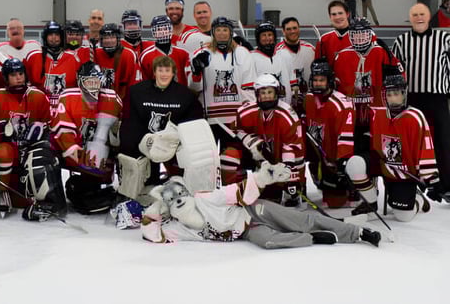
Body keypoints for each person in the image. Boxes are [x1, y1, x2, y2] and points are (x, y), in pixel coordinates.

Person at [140, 163, 381, 249]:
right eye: (173, 202)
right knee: (270, 242)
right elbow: (151, 233)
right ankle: (315, 238)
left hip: (252, 210)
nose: (180, 202)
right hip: (247, 231)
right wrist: (156, 209)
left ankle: (358, 233)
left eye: (181, 196)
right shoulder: (178, 228)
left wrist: (265, 177)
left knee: (302, 220)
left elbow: (238, 191)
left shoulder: (205, 198)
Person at [346, 73, 441, 222]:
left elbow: (426, 148)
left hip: (403, 172)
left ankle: (418, 199)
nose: (392, 98)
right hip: (383, 163)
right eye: (389, 94)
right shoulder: (379, 113)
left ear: (404, 94)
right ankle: (370, 204)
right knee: (354, 164)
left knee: (403, 216)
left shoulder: (415, 117)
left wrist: (431, 178)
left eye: (396, 94)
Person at [393, 3, 450, 200]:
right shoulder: (402, 40)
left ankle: (446, 182)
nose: (419, 17)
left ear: (429, 17)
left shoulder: (444, 38)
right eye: (415, 14)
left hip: (438, 96)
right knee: (412, 141)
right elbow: (396, 71)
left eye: (422, 14)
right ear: (410, 18)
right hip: (413, 97)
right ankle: (414, 179)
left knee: (443, 139)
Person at [0, 58, 55, 218]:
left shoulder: (38, 97)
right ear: (5, 78)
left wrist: (40, 130)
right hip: (7, 153)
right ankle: (1, 191)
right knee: (4, 151)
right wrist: (0, 129)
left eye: (21, 73)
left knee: (25, 199)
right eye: (14, 74)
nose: (19, 78)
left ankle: (45, 193)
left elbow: (49, 127)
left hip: (30, 151)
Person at [51, 62, 122, 214]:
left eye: (95, 81)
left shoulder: (111, 98)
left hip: (97, 149)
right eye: (88, 81)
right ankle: (53, 196)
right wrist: (75, 152)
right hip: (73, 150)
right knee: (48, 155)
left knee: (101, 173)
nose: (92, 86)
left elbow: (120, 129)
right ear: (80, 81)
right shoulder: (68, 96)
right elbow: (62, 129)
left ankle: (108, 189)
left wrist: (113, 149)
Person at [224, 74, 305, 206]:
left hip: (278, 158)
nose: (266, 96)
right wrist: (249, 141)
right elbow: (235, 131)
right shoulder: (245, 112)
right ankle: (233, 193)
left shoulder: (288, 115)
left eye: (270, 92)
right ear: (257, 94)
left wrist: (288, 170)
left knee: (282, 196)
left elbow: (292, 146)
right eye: (263, 92)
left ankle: (294, 187)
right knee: (229, 157)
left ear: (276, 93)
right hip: (255, 158)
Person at [120, 55, 203, 184]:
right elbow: (130, 123)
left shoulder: (185, 95)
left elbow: (193, 123)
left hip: (172, 144)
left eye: (167, 70)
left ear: (173, 73)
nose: (164, 74)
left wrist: (178, 141)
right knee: (143, 181)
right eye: (160, 70)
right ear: (154, 72)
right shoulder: (138, 91)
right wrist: (135, 144)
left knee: (180, 175)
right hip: (145, 142)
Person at [334, 18, 401, 154]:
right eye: (355, 35)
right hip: (352, 114)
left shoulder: (381, 52)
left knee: (376, 151)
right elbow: (337, 88)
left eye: (362, 34)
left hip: (377, 112)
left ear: (370, 34)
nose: (359, 38)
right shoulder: (342, 56)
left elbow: (399, 79)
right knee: (353, 150)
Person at [302, 58, 356, 208]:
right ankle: (321, 183)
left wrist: (341, 163)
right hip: (319, 153)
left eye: (322, 80)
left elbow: (346, 137)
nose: (317, 83)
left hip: (335, 159)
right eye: (315, 80)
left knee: (335, 203)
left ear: (330, 81)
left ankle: (352, 188)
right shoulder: (309, 98)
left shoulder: (342, 104)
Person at [188, 16, 257, 127]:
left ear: (231, 33)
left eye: (225, 30)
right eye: (218, 30)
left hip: (238, 118)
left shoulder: (243, 53)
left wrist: (245, 114)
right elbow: (194, 89)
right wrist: (196, 72)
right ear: (213, 33)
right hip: (211, 118)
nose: (221, 33)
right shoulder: (200, 54)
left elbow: (249, 89)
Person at [24, 21, 79, 110]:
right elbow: (25, 84)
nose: (54, 38)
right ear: (45, 37)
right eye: (50, 35)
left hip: (67, 109)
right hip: (40, 108)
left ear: (62, 37)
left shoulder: (73, 58)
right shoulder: (33, 57)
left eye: (57, 35)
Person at [275, 17, 316, 116]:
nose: (292, 31)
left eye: (295, 28)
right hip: (287, 102)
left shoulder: (310, 49)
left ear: (299, 29)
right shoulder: (277, 52)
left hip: (309, 99)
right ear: (283, 32)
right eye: (288, 29)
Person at [91, 23, 142, 101]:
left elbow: (134, 86)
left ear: (118, 39)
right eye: (105, 37)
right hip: (100, 103)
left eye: (112, 37)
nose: (108, 40)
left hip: (123, 103)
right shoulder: (95, 54)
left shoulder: (128, 55)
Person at [249, 21, 294, 105]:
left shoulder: (285, 54)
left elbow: (292, 81)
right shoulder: (251, 57)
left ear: (274, 37)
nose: (267, 38)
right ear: (258, 38)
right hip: (263, 107)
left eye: (270, 35)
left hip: (285, 106)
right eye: (263, 35)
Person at [139, 15, 190, 85]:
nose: (163, 32)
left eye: (165, 28)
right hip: (156, 94)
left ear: (171, 29)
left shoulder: (183, 53)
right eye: (159, 29)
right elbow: (145, 83)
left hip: (180, 94)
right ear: (154, 31)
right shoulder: (145, 56)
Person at [315, 0, 352, 68]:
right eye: (334, 14)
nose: (337, 17)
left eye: (340, 13)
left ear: (347, 14)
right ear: (330, 16)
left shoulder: (360, 37)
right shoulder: (324, 40)